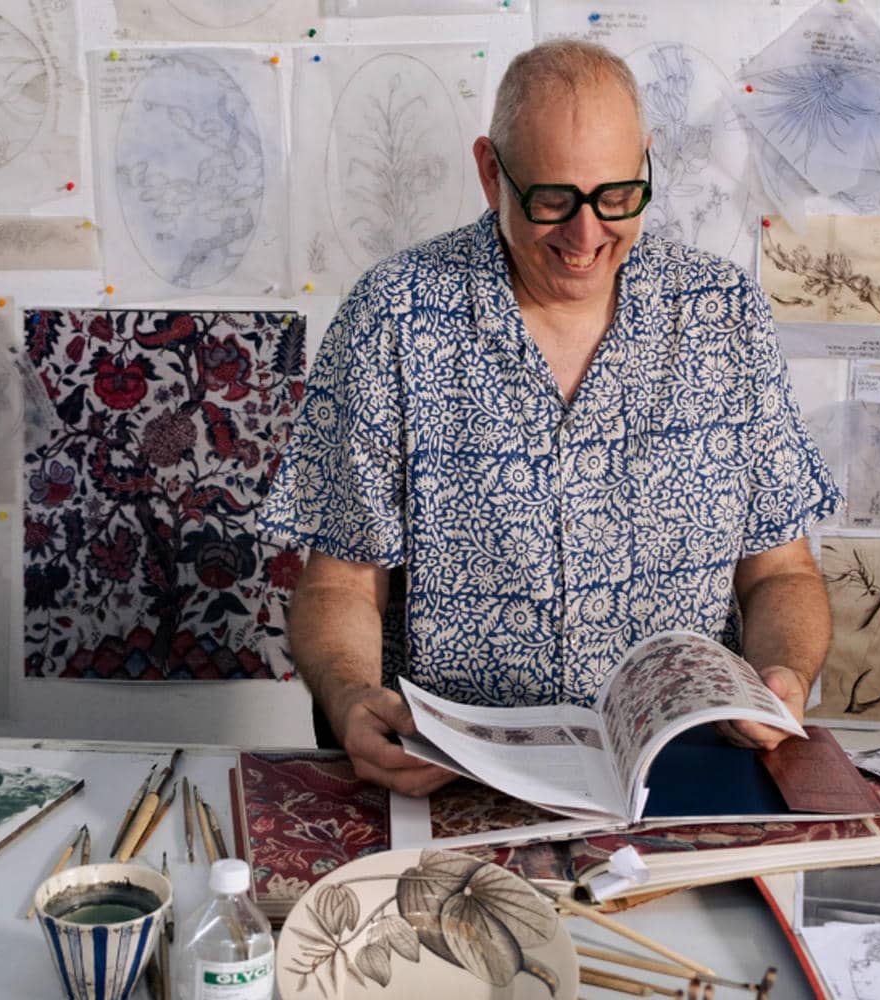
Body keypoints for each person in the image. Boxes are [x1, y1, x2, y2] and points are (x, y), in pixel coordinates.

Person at [259, 39, 842, 795]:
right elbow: (340, 583)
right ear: (490, 173)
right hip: (451, 779)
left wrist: (784, 672)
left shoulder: (723, 315)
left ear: (646, 164)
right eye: (553, 201)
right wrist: (348, 698)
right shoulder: (394, 316)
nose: (587, 235)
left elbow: (781, 573)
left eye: (617, 197)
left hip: (679, 773)